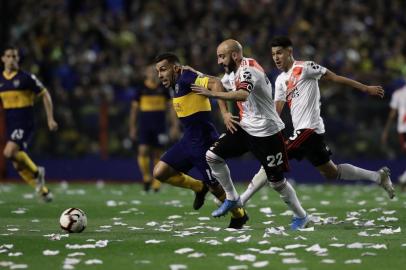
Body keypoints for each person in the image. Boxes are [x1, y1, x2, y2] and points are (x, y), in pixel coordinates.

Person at [239, 36, 395, 205]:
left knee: (273, 158)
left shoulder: (306, 67)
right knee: (331, 173)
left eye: (279, 53)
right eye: (273, 54)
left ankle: (241, 201)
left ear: (289, 51)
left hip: (310, 130)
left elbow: (334, 78)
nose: (276, 57)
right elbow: (276, 111)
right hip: (303, 133)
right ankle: (378, 177)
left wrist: (365, 88)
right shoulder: (280, 80)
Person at [191, 39, 310, 231]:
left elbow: (242, 94)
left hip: (268, 132)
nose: (220, 62)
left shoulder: (248, 69)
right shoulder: (233, 72)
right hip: (246, 127)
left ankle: (301, 216)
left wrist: (212, 96)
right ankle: (231, 197)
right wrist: (225, 112)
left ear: (235, 55)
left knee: (277, 183)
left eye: (222, 57)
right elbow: (219, 84)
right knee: (212, 156)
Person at [153, 52, 249, 229]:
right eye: (158, 71)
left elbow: (216, 83)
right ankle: (198, 187)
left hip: (202, 141)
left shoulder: (186, 78)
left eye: (163, 70)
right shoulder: (177, 82)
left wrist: (225, 112)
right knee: (159, 172)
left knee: (216, 187)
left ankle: (240, 215)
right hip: (187, 139)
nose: (160, 75)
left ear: (175, 68)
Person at [0, 46, 58, 202]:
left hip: (24, 121)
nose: (12, 59)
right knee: (17, 163)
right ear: (3, 59)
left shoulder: (26, 78)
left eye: (14, 56)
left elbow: (45, 94)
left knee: (8, 152)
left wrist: (50, 118)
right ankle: (43, 191)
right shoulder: (1, 80)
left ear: (18, 59)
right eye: (9, 56)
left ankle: (37, 173)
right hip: (11, 123)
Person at [129, 65, 179, 192]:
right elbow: (134, 111)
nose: (153, 73)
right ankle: (146, 177)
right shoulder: (140, 89)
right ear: (146, 73)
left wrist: (174, 126)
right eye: (150, 71)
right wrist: (132, 127)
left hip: (160, 126)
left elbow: (170, 109)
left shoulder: (164, 89)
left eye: (155, 71)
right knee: (143, 150)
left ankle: (157, 181)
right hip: (144, 126)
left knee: (158, 153)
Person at [382, 83, 406, 191]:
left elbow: (392, 114)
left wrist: (386, 131)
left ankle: (403, 178)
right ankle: (403, 178)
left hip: (402, 129)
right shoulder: (398, 94)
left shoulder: (398, 94)